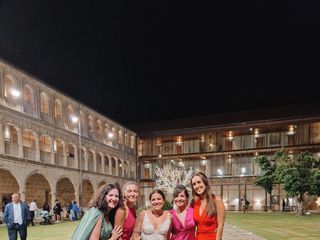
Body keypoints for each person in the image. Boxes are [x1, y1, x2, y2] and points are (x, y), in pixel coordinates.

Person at [191, 172, 225, 240]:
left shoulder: (216, 200)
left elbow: (220, 225)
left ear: (205, 182)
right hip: (198, 238)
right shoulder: (194, 202)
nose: (197, 186)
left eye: (199, 182)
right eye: (194, 184)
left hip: (213, 237)